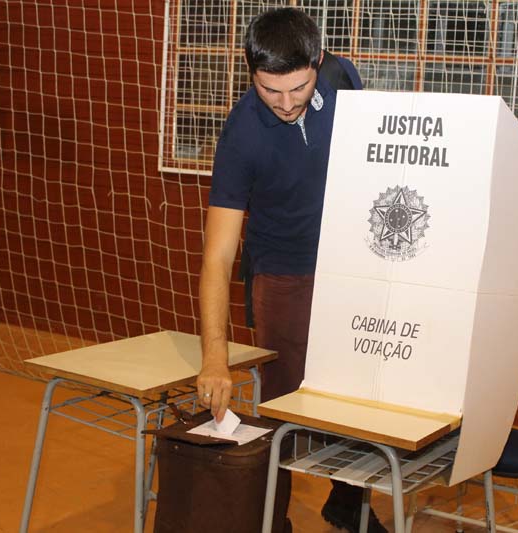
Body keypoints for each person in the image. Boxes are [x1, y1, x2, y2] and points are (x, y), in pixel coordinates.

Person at [195, 7, 387, 533]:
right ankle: (271, 520)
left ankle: (349, 504)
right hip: (282, 271)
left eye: (298, 88)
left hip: (349, 265)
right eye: (269, 90)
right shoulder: (242, 135)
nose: (285, 103)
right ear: (251, 73)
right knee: (287, 410)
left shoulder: (342, 76)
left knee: (355, 396)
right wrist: (215, 358)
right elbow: (217, 256)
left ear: (317, 62)